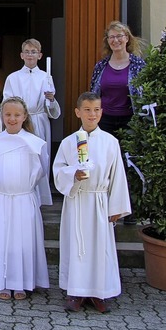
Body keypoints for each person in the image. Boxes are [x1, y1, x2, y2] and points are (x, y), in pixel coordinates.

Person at [53, 92, 131, 313]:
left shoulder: (110, 142)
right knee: (77, 247)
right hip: (77, 201)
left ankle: (100, 293)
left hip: (99, 201)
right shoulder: (69, 143)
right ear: (78, 112)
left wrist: (116, 207)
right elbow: (58, 171)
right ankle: (75, 292)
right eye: (87, 110)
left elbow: (117, 176)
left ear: (101, 112)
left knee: (99, 248)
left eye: (96, 110)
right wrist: (73, 175)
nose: (92, 114)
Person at [0, 96, 50, 300]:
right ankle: (2, 281)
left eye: (17, 115)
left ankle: (22, 283)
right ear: (2, 116)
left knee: (22, 242)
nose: (12, 119)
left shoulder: (35, 144)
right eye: (7, 114)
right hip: (0, 199)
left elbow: (42, 170)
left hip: (23, 199)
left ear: (24, 116)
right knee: (2, 241)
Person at [90, 21, 145, 225]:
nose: (116, 40)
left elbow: (145, 93)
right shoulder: (102, 65)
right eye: (112, 37)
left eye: (119, 36)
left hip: (131, 119)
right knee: (106, 165)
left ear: (127, 38)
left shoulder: (138, 64)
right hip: (106, 120)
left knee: (129, 164)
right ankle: (106, 209)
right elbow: (93, 93)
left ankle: (129, 211)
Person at [3, 38, 60, 205]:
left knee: (40, 156)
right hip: (19, 122)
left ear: (40, 55)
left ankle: (40, 195)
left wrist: (51, 99)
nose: (30, 55)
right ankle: (21, 191)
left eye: (33, 51)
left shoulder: (45, 77)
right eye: (27, 51)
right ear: (21, 55)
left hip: (38, 119)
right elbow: (7, 102)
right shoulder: (13, 78)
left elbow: (50, 107)